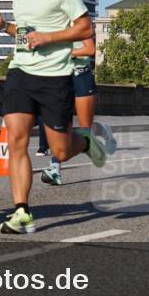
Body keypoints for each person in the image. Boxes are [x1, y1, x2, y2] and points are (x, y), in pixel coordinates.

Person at [0, 0, 115, 234]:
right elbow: (25, 36)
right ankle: (22, 211)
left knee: (60, 151)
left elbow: (85, 29)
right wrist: (3, 26)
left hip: (55, 77)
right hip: (21, 72)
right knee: (16, 139)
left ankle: (86, 141)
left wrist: (49, 37)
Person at [40, 35, 99, 186]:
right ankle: (55, 169)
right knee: (60, 128)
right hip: (60, 77)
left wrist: (65, 53)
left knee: (85, 130)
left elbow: (90, 49)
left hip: (81, 75)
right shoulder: (55, 25)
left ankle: (101, 133)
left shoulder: (78, 23)